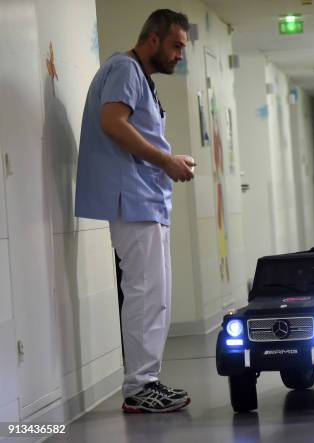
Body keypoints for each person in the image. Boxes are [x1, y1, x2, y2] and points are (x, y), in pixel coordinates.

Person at [75, 9, 194, 413]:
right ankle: (140, 386)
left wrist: (168, 160)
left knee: (154, 293)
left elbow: (132, 128)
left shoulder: (137, 76)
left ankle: (148, 381)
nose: (180, 54)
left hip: (145, 199)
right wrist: (165, 161)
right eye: (176, 45)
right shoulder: (125, 68)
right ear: (153, 39)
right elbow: (113, 122)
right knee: (145, 293)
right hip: (133, 198)